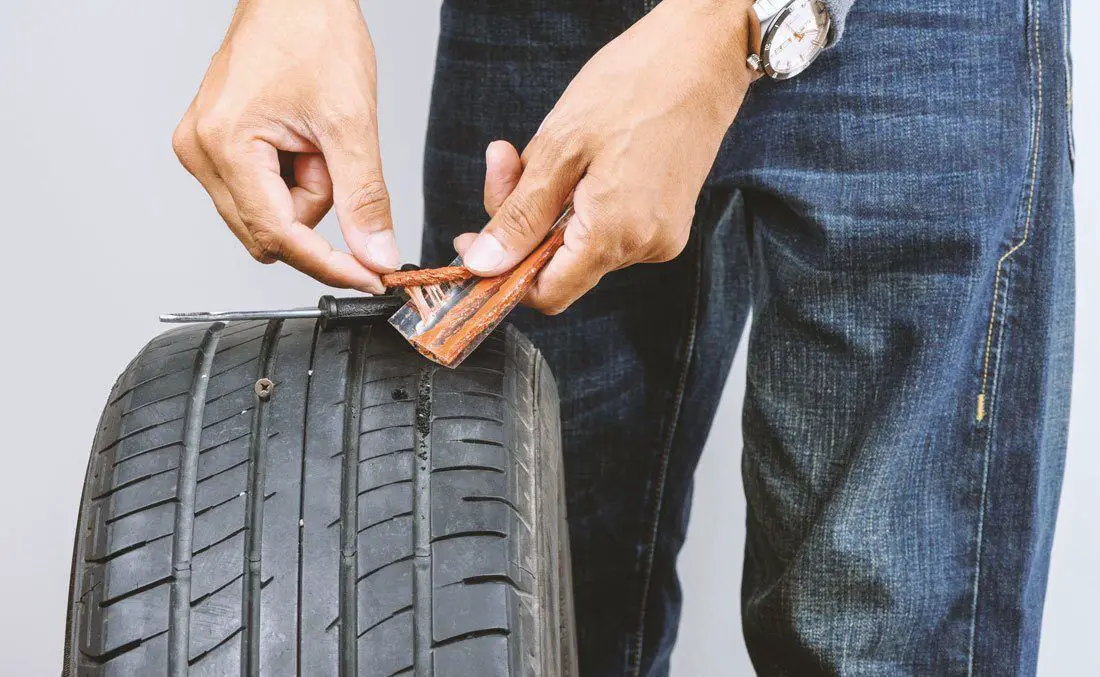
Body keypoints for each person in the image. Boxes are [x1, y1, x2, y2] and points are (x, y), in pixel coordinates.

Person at [171, 0, 1075, 673]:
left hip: (917, 27)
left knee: (881, 640)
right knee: (507, 624)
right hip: (539, 20)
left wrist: (737, 20)